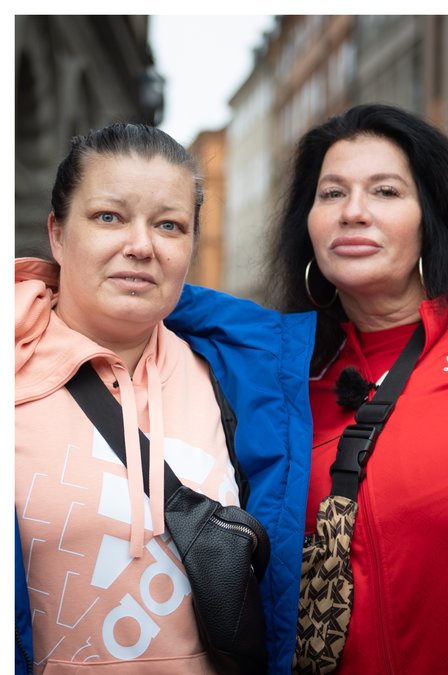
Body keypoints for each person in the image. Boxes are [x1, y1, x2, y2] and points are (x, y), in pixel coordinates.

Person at [15, 123, 306, 672]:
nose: (141, 246)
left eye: (169, 225)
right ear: (57, 233)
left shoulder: (239, 378)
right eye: (109, 217)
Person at [258, 104, 448, 673]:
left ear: (430, 216)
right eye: (331, 194)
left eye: (385, 191)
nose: (353, 212)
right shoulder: (280, 376)